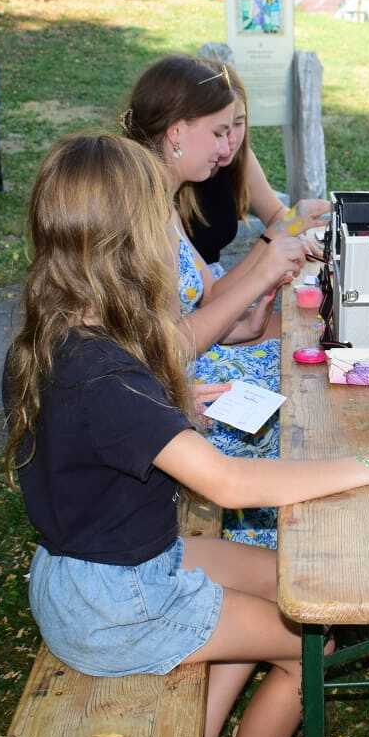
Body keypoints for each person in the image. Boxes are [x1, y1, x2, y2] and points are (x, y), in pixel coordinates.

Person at [3, 132, 369, 737]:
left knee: (286, 582)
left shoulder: (55, 338)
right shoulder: (105, 376)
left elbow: (92, 434)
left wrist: (173, 408)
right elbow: (229, 485)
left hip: (91, 573)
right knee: (309, 647)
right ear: (133, 242)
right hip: (120, 603)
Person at [120, 55, 314, 548]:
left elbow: (211, 298)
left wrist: (261, 289)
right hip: (166, 387)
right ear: (177, 131)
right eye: (220, 132)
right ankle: (272, 552)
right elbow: (171, 344)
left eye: (236, 129)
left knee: (307, 359)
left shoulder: (165, 194)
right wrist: (265, 267)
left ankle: (285, 541)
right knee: (300, 395)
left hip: (185, 361)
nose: (230, 147)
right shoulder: (139, 208)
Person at [180, 62, 329, 272]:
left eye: (238, 123)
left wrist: (297, 233)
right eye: (219, 130)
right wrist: (274, 239)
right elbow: (205, 288)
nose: (230, 140)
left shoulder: (241, 158)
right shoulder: (168, 180)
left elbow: (275, 212)